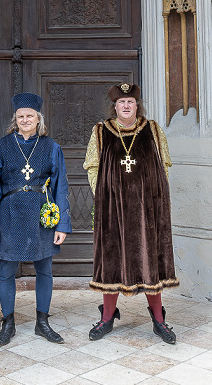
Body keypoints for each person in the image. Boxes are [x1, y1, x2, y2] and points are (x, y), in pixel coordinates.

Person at [84, 83, 179, 344]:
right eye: (121, 102)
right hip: (112, 210)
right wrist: (103, 196)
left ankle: (159, 320)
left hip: (146, 211)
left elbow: (165, 166)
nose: (126, 106)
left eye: (131, 102)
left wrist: (157, 199)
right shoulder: (101, 132)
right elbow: (92, 166)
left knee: (150, 262)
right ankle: (107, 317)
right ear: (114, 106)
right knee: (111, 261)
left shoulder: (153, 130)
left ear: (137, 105)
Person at [0, 93, 72, 346]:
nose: (25, 120)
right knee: (6, 271)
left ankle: (42, 323)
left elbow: (61, 187)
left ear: (38, 119)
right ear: (16, 119)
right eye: (20, 116)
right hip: (9, 214)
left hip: (41, 215)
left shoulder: (51, 147)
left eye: (29, 116)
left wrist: (62, 224)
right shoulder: (1, 146)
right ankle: (8, 323)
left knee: (44, 270)